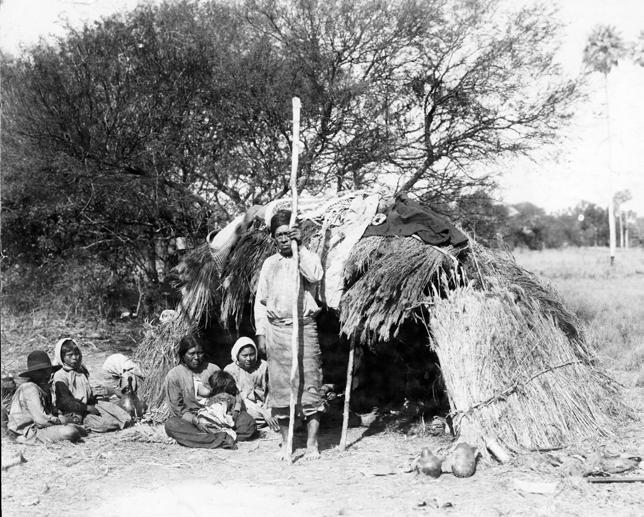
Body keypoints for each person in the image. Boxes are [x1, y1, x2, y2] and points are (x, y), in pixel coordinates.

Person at [255, 210, 325, 460]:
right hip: (277, 330)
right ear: (273, 238)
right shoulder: (269, 264)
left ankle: (313, 443)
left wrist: (301, 248)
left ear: (295, 234)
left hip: (304, 327)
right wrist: (261, 332)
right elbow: (260, 302)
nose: (284, 239)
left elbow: (315, 275)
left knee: (310, 384)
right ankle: (287, 443)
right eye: (279, 235)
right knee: (281, 387)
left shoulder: (306, 258)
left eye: (288, 234)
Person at [163, 335, 256, 448]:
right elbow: (178, 409)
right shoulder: (174, 376)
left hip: (221, 416)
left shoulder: (212, 369)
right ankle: (222, 437)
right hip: (194, 420)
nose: (197, 357)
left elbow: (233, 392)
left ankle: (212, 438)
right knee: (171, 424)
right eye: (191, 354)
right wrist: (196, 421)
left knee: (248, 423)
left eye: (200, 353)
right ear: (183, 355)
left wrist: (234, 413)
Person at [52, 338, 132, 433]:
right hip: (75, 411)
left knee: (125, 417)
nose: (75, 358)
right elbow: (64, 401)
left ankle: (116, 421)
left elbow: (86, 392)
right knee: (105, 425)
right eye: (70, 355)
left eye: (76, 354)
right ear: (62, 357)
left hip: (91, 405)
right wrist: (86, 408)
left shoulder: (81, 371)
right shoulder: (60, 375)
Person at [8, 350, 83, 444]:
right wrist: (63, 420)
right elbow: (42, 420)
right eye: (40, 372)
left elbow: (50, 411)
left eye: (47, 371)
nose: (45, 375)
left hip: (39, 428)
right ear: (33, 374)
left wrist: (60, 415)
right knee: (70, 432)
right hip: (27, 432)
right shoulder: (29, 388)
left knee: (76, 425)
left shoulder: (44, 388)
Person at [224, 337, 279, 431]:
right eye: (244, 356)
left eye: (252, 355)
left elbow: (272, 390)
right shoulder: (230, 371)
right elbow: (239, 398)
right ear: (237, 355)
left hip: (264, 405)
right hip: (244, 406)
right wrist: (263, 413)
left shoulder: (263, 366)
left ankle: (269, 420)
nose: (249, 359)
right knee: (245, 416)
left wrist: (267, 409)